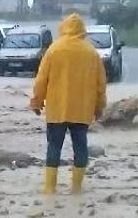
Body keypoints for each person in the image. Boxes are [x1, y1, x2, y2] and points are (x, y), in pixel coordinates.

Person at [30, 13, 107, 194]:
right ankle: (76, 188)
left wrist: (36, 102)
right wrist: (99, 106)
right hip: (82, 110)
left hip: (57, 109)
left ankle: (50, 188)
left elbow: (42, 79)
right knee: (81, 148)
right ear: (82, 30)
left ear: (63, 28)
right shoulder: (91, 53)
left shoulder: (54, 50)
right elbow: (100, 84)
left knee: (54, 147)